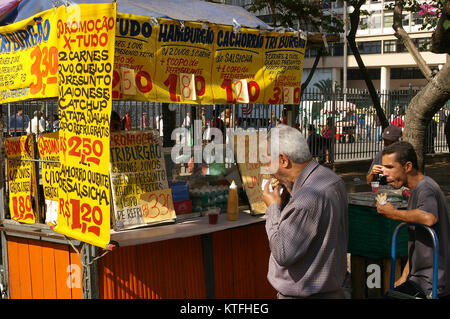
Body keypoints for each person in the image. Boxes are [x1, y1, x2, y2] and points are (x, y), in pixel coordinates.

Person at [261, 125, 348, 299]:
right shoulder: (331, 179)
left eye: (268, 161)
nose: (266, 167)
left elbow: (283, 253)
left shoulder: (308, 197)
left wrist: (273, 207)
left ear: (283, 160)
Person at [376, 141, 450, 299]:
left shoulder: (426, 188)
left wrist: (394, 213)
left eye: (390, 167)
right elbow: (418, 243)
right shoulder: (415, 190)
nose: (385, 173)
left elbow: (429, 218)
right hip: (418, 278)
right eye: (383, 168)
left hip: (432, 283)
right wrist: (405, 275)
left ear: (407, 166)